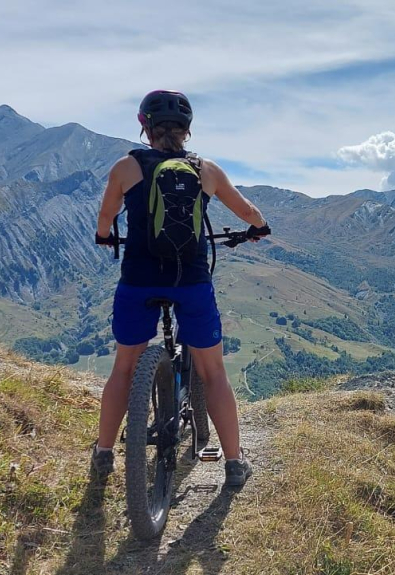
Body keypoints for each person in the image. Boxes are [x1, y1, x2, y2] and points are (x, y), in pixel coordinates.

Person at [91, 90, 267, 487]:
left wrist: (104, 236)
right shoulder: (207, 170)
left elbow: (106, 216)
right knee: (214, 372)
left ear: (145, 127)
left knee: (124, 368)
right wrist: (258, 227)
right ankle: (234, 462)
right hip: (190, 281)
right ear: (188, 129)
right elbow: (246, 211)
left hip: (138, 280)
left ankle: (103, 453)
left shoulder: (126, 167)